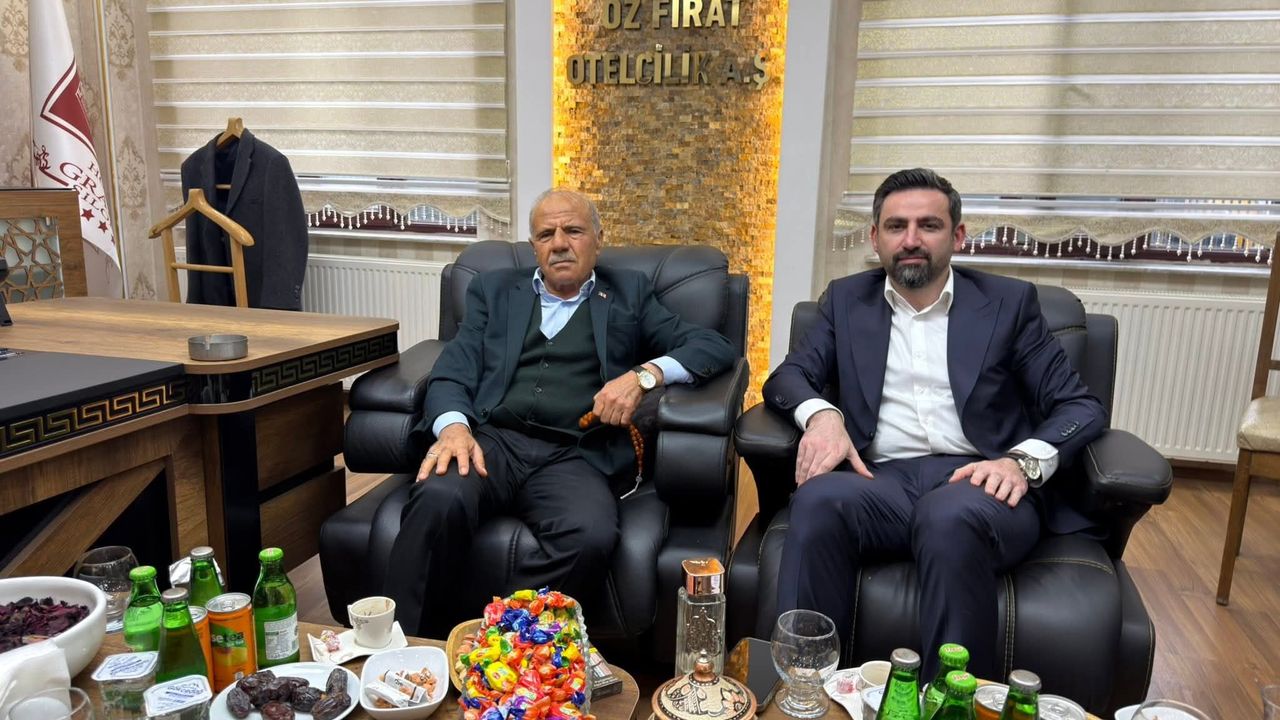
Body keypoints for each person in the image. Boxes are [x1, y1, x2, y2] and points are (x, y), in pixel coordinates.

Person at [765, 168, 1106, 680]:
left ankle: (950, 702)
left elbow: (1080, 406)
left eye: (928, 225)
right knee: (817, 501)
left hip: (980, 482)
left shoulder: (1008, 304)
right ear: (874, 237)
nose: (911, 240)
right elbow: (788, 377)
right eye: (896, 226)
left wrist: (1021, 462)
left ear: (957, 235)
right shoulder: (845, 300)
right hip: (881, 481)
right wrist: (824, 415)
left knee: (948, 518)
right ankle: (804, 690)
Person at [387, 189, 736, 635]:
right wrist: (454, 428)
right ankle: (405, 647)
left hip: (576, 453)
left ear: (598, 240)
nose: (559, 244)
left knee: (589, 534)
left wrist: (645, 375)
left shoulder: (629, 293)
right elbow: (453, 369)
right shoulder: (494, 291)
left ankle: (507, 642)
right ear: (534, 246)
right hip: (492, 441)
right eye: (545, 234)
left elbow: (713, 346)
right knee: (437, 499)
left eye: (573, 230)